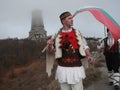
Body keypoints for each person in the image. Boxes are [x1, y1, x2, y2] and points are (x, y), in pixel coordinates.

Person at [47, 11, 94, 90]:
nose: (72, 20)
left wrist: (89, 55)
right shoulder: (56, 35)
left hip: (76, 68)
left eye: (72, 18)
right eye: (69, 18)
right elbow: (51, 51)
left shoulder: (78, 33)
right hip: (63, 68)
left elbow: (85, 46)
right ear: (63, 21)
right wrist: (50, 45)